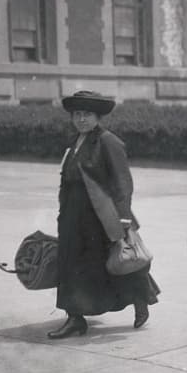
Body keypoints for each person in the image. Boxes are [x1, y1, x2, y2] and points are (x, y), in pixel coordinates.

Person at [49, 90, 160, 339]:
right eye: (77, 114)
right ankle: (75, 319)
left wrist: (123, 218)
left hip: (102, 219)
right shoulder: (73, 142)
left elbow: (123, 182)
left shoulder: (109, 141)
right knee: (71, 267)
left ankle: (140, 300)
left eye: (87, 114)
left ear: (98, 117)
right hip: (73, 217)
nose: (81, 119)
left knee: (116, 264)